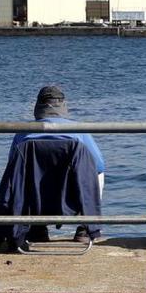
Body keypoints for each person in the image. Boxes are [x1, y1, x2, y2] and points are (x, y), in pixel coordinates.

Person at [8, 86, 105, 241]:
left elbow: (13, 169)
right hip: (71, 200)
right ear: (64, 105)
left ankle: (37, 227)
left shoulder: (23, 133)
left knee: (18, 174)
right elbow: (99, 166)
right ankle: (86, 228)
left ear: (38, 106)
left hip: (35, 199)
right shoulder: (79, 131)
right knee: (98, 173)